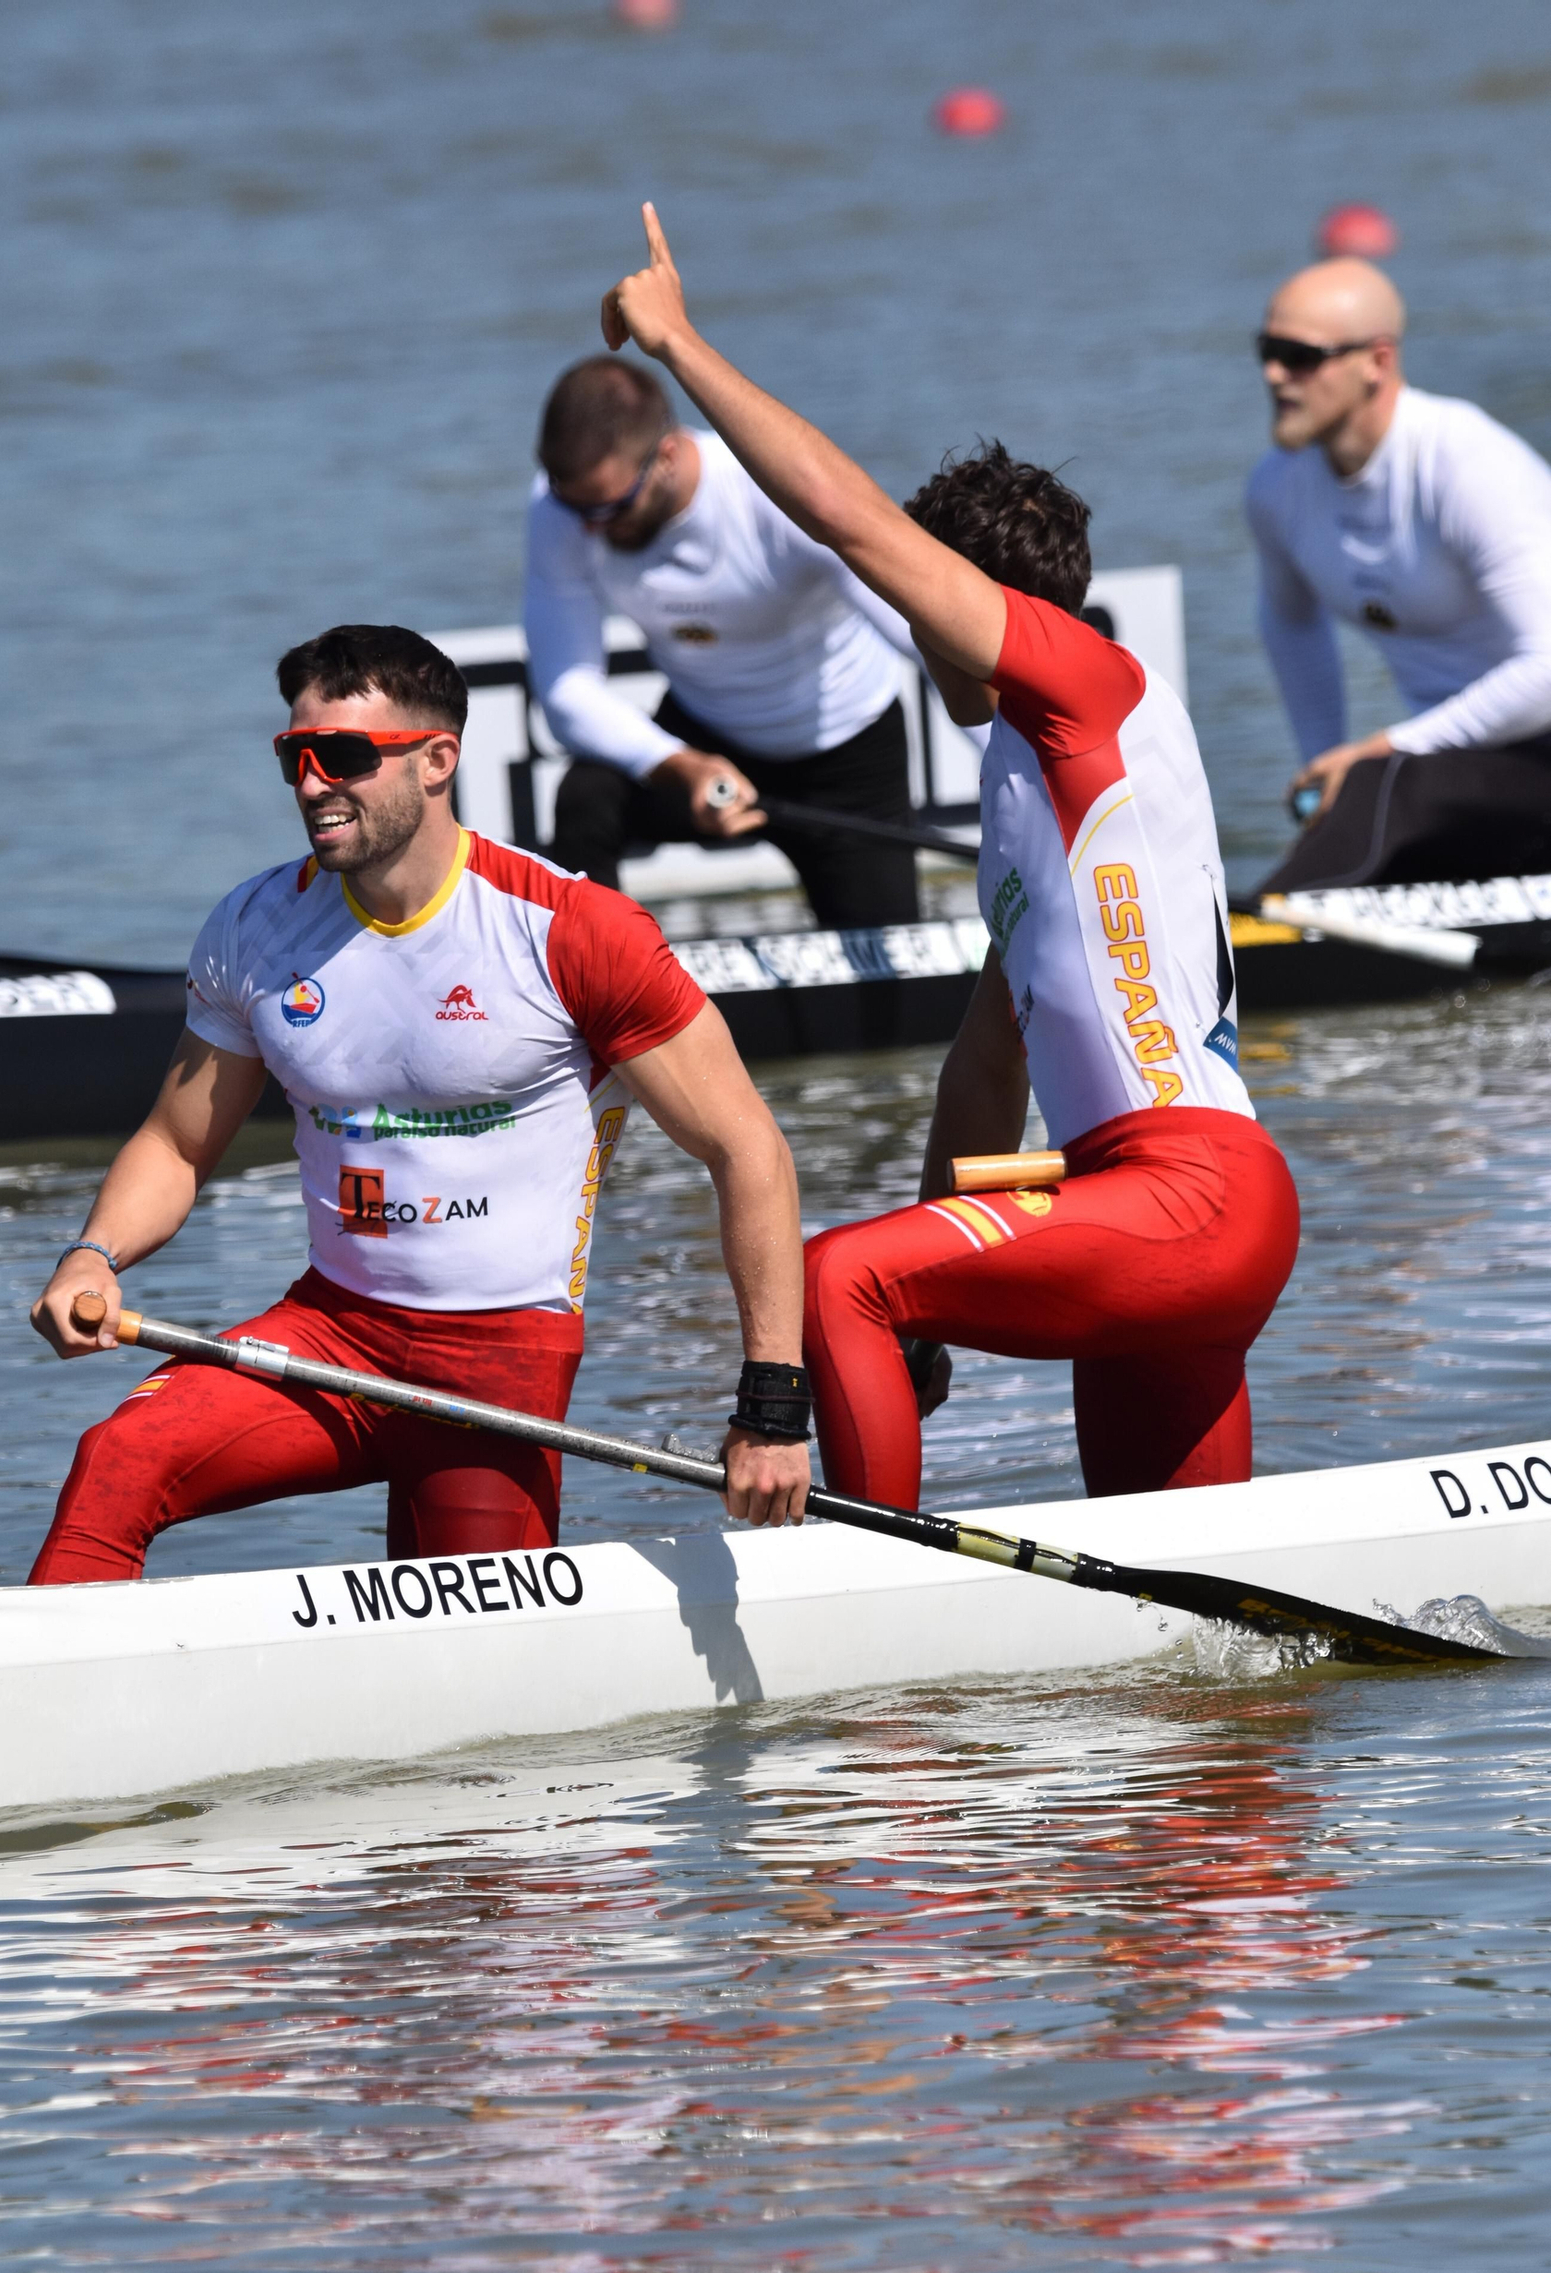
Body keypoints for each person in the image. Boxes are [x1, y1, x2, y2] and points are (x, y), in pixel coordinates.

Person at [597, 208, 1300, 1503]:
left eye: (923, 604)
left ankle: (867, 1621)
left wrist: (680, 346)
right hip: (1148, 1223)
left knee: (833, 1273)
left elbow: (845, 518)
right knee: (1190, 1628)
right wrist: (921, 1312)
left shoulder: (1086, 686)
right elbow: (986, 1070)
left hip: (1186, 1195)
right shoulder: (1034, 795)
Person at [27, 623, 811, 1583]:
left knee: (478, 1680)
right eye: (294, 757)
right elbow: (179, 1144)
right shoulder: (254, 926)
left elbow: (748, 1152)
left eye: (345, 755)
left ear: (438, 760)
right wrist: (91, 1254)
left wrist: (771, 1409)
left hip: (501, 1358)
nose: (314, 783)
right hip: (330, 1333)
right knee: (116, 1460)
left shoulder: (573, 932)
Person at [525, 354, 926, 929]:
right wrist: (680, 764)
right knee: (587, 798)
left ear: (667, 454)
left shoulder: (775, 493)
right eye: (575, 508)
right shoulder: (563, 506)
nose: (588, 529)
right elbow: (566, 691)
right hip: (704, 743)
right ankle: (599, 999)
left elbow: (930, 640)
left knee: (895, 994)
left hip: (844, 753)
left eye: (611, 509)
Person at [1245, 257, 1551, 894]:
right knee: (1371, 793)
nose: (1275, 374)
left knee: (1382, 782)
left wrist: (1378, 751)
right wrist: (1321, 774)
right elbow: (1293, 629)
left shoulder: (1465, 463)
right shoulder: (1277, 488)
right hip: (1467, 772)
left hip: (1519, 749)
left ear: (1376, 362)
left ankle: (1256, 933)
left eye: (1299, 355)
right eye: (1267, 350)